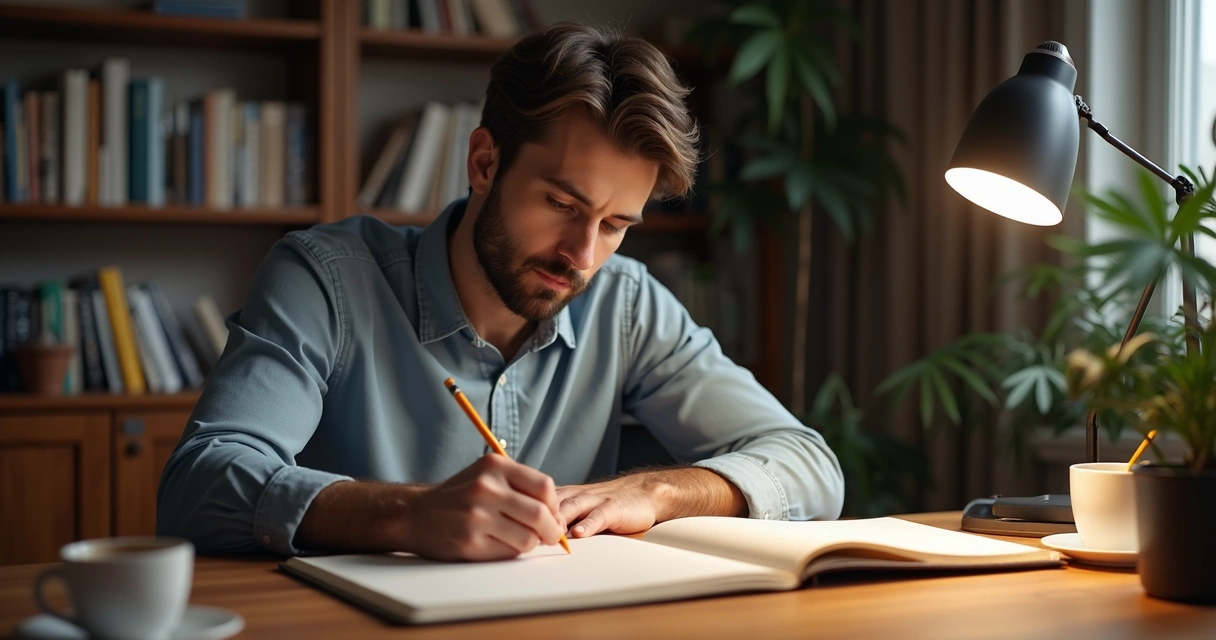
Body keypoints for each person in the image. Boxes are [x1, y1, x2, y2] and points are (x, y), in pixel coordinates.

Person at [157, 22, 843, 562]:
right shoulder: (327, 279)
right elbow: (201, 485)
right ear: (484, 162)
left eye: (614, 225)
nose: (582, 254)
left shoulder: (626, 304)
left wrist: (658, 490)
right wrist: (410, 514)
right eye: (561, 203)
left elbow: (809, 465)